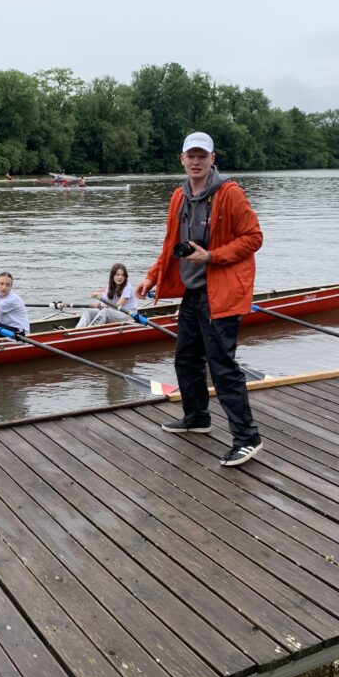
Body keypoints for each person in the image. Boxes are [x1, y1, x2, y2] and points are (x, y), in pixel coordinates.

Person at [135, 131, 264, 467]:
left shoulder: (230, 193)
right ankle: (197, 418)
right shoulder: (179, 196)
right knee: (186, 359)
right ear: (181, 159)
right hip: (193, 292)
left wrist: (212, 257)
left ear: (212, 159)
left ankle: (248, 438)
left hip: (221, 292)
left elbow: (253, 238)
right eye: (190, 156)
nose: (195, 162)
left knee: (222, 367)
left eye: (201, 156)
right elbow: (171, 245)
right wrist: (152, 276)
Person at [76, 263, 138, 327]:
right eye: (117, 275)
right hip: (115, 314)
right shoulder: (109, 287)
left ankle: (89, 330)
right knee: (89, 312)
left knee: (105, 312)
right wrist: (99, 305)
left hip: (128, 316)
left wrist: (100, 298)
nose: (120, 277)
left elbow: (117, 306)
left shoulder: (127, 287)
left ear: (125, 277)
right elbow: (105, 304)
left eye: (122, 275)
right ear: (112, 276)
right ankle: (77, 330)